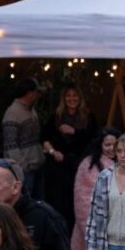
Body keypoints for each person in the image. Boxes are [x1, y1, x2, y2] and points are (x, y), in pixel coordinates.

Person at [70, 127, 120, 250]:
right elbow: (82, 196)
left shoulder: (121, 163)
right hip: (93, 222)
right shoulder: (88, 165)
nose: (111, 149)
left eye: (114, 145)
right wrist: (89, 224)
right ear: (99, 144)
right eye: (107, 144)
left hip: (117, 223)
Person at [41, 84, 98, 231]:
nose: (72, 99)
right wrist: (53, 151)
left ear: (80, 98)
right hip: (59, 167)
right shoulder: (57, 116)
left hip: (80, 165)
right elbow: (44, 137)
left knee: (79, 200)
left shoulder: (88, 116)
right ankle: (61, 233)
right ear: (64, 98)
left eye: (75, 95)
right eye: (68, 96)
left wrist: (74, 131)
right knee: (60, 202)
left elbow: (95, 138)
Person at [1, 77, 45, 200]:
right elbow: (10, 144)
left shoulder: (31, 110)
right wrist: (22, 167)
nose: (38, 95)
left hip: (36, 167)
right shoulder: (12, 113)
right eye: (37, 92)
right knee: (25, 204)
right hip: (25, 171)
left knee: (37, 205)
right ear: (29, 93)